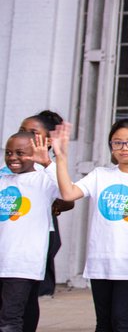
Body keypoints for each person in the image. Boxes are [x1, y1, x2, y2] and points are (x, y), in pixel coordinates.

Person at [51, 118, 128, 331]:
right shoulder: (101, 175)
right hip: (100, 261)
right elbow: (68, 193)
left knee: (122, 320)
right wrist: (61, 158)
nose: (123, 148)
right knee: (104, 322)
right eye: (117, 142)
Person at [0, 131, 60, 331]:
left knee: (10, 319)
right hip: (2, 259)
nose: (13, 158)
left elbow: (66, 191)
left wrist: (47, 163)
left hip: (21, 263)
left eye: (20, 153)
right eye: (8, 153)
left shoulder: (44, 179)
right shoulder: (3, 177)